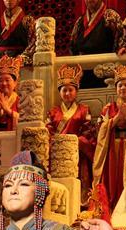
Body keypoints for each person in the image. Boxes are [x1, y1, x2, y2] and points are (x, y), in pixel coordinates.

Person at [46, 65, 96, 197]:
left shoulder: (84, 110)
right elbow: (48, 132)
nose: (67, 93)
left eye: (70, 90)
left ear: (76, 91)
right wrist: (57, 144)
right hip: (57, 154)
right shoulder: (53, 112)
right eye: (64, 90)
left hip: (77, 152)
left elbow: (88, 132)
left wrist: (75, 142)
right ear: (60, 92)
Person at [93, 64, 126, 212]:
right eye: (119, 85)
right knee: (112, 180)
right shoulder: (108, 108)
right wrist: (116, 118)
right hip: (112, 148)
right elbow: (100, 129)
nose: (123, 88)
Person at [0, 0, 36, 66]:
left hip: (19, 64)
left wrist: (20, 59)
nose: (9, 1)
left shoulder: (27, 21)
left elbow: (33, 44)